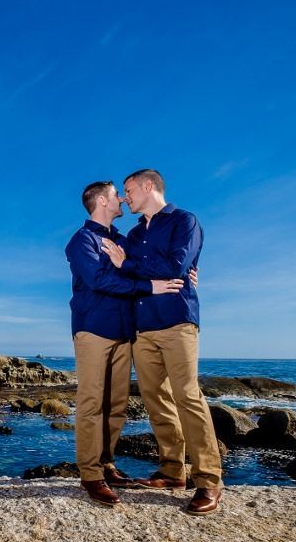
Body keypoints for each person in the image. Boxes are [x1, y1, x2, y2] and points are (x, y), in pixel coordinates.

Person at [101, 169, 223, 515]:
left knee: (187, 396)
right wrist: (130, 265)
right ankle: (172, 471)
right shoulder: (134, 233)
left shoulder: (184, 221)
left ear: (148, 186)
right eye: (122, 193)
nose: (125, 198)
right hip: (142, 326)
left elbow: (176, 265)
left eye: (128, 190)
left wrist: (131, 264)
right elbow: (113, 267)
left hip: (177, 321)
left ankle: (209, 481)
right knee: (157, 401)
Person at [66, 181, 184, 507]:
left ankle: (106, 463)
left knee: (116, 406)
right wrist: (149, 287)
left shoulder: (123, 240)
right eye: (117, 194)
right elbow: (100, 280)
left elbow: (149, 264)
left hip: (124, 333)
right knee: (91, 403)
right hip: (92, 330)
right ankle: (91, 475)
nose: (122, 198)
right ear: (103, 201)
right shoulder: (82, 241)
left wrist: (190, 271)